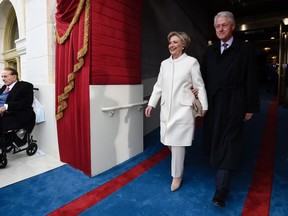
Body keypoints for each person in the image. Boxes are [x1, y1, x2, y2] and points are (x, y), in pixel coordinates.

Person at [200, 11, 260, 207]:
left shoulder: (245, 49)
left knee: (230, 141)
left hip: (235, 101)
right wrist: (199, 99)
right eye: (217, 26)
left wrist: (250, 106)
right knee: (215, 138)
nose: (220, 29)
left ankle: (221, 190)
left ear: (233, 26)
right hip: (214, 101)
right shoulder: (209, 51)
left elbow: (251, 78)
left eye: (224, 25)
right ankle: (220, 168)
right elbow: (203, 79)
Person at [145, 31, 208, 192]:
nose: (171, 45)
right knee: (168, 141)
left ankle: (177, 176)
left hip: (183, 110)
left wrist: (204, 106)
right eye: (170, 42)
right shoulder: (164, 64)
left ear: (183, 45)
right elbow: (158, 86)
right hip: (166, 109)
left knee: (178, 145)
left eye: (175, 42)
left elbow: (199, 85)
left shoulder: (191, 62)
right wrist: (151, 104)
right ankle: (179, 159)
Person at [0, 67, 35, 133]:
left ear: (14, 77)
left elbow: (26, 103)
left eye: (5, 76)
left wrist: (6, 107)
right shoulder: (4, 87)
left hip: (16, 115)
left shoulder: (25, 86)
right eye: (2, 77)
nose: (3, 79)